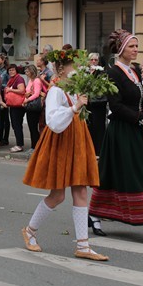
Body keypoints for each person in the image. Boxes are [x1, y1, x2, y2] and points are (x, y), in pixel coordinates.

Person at [89, 30, 143, 247]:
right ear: (121, 49)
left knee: (118, 173)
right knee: (136, 174)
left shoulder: (134, 70)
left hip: (134, 131)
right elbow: (116, 106)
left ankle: (96, 212)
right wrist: (139, 119)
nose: (136, 50)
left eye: (137, 46)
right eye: (132, 46)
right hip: (122, 131)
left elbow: (134, 95)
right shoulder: (113, 72)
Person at [21, 49, 107, 261]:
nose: (79, 69)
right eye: (74, 66)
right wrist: (75, 108)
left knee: (81, 191)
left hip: (77, 139)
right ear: (61, 69)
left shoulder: (75, 89)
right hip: (60, 141)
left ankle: (83, 245)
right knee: (57, 195)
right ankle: (30, 230)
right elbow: (53, 122)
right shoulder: (56, 91)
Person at [86, 53, 108, 157]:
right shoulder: (85, 72)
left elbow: (103, 90)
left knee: (99, 127)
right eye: (92, 60)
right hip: (88, 104)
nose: (93, 62)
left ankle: (99, 151)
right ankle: (90, 149)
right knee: (89, 126)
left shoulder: (102, 73)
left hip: (99, 103)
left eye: (95, 60)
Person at [4, 64, 26, 152]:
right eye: (9, 70)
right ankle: (19, 143)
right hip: (13, 105)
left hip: (18, 106)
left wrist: (10, 90)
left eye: (13, 70)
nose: (11, 72)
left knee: (17, 125)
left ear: (16, 70)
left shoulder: (19, 78)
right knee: (15, 125)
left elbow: (22, 90)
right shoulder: (12, 79)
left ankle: (19, 145)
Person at [22, 64, 43, 152]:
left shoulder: (36, 80)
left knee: (33, 127)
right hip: (29, 105)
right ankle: (33, 146)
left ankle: (35, 147)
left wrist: (27, 100)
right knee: (31, 127)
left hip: (34, 106)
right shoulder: (31, 80)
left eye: (27, 71)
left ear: (31, 71)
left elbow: (36, 94)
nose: (26, 73)